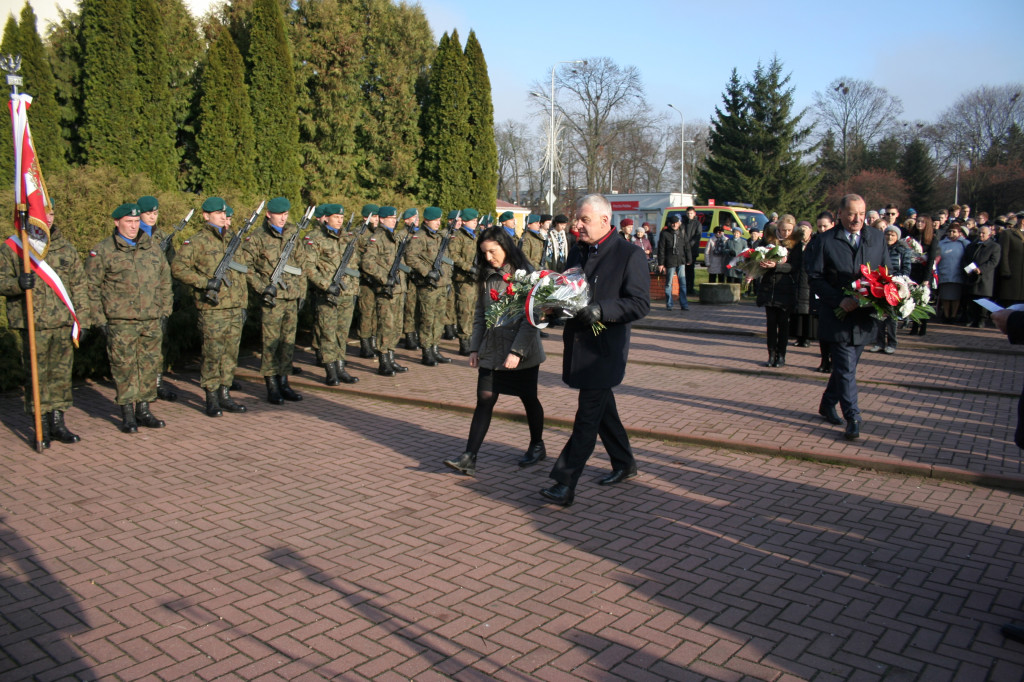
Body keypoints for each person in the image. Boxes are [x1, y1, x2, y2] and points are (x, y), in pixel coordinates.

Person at [540, 194, 651, 507]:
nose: (577, 224)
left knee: (587, 416)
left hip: (605, 350)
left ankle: (565, 481)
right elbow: (567, 289)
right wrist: (550, 305)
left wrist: (603, 309)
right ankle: (624, 463)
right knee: (602, 409)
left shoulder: (630, 254)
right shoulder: (578, 250)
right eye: (577, 218)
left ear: (605, 220)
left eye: (584, 219)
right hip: (579, 344)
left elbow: (641, 303)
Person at [443, 227, 547, 476]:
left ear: (505, 246)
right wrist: (474, 347)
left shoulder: (526, 275)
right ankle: (469, 456)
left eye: (493, 251)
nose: (489, 257)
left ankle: (537, 445)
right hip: (492, 348)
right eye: (484, 253)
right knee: (485, 398)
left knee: (528, 398)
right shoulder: (486, 274)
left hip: (521, 350)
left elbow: (532, 318)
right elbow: (480, 315)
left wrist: (517, 352)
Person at [1, 206, 89, 446]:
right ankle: (40, 426)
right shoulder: (14, 248)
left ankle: (58, 422)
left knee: (60, 375)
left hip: (62, 323)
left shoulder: (65, 248)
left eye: (51, 213)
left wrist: (83, 319)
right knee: (37, 377)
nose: (47, 218)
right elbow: (1, 281)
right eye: (42, 213)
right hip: (33, 323)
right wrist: (17, 284)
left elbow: (79, 285)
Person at [86, 203, 173, 433]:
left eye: (136, 222)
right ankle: (127, 413)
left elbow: (165, 280)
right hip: (121, 320)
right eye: (128, 222)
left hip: (151, 319)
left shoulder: (152, 248)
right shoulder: (103, 251)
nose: (134, 226)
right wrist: (100, 320)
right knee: (124, 367)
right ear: (117, 223)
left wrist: (165, 310)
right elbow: (91, 288)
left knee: (149, 365)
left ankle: (143, 409)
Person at [806, 194, 886, 440]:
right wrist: (839, 300)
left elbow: (884, 273)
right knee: (846, 367)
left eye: (861, 214)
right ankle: (853, 416)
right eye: (852, 213)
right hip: (838, 315)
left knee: (846, 369)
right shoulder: (825, 240)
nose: (857, 219)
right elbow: (815, 278)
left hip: (864, 316)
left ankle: (827, 403)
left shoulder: (876, 238)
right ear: (839, 213)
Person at [171, 197, 250, 417]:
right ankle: (211, 397)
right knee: (212, 354)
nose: (223, 217)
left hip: (234, 307)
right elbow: (177, 268)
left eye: (224, 213)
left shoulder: (233, 240)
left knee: (230, 354)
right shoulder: (196, 242)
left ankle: (225, 394)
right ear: (206, 216)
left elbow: (242, 274)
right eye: (217, 213)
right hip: (212, 309)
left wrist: (244, 304)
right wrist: (205, 283)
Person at [244, 196, 312, 404]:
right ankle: (271, 385)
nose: (283, 218)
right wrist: (262, 288)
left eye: (285, 214)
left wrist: (301, 292)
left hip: (291, 297)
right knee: (271, 343)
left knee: (287, 342)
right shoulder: (257, 237)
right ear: (268, 214)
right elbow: (246, 267)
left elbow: (302, 265)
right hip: (272, 298)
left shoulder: (293, 233)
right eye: (279, 214)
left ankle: (284, 382)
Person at [307, 204, 361, 385]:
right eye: (336, 217)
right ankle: (330, 371)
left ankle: (340, 368)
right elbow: (309, 267)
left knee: (341, 334)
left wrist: (354, 288)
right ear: (327, 218)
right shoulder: (316, 238)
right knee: (328, 334)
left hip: (347, 293)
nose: (340, 220)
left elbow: (354, 266)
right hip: (328, 294)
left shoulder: (347, 238)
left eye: (341, 217)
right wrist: (326, 285)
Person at [137, 195, 178, 402]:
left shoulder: (163, 236)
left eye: (155, 213)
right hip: (137, 302)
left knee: (160, 343)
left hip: (159, 300)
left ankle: (158, 383)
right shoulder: (132, 235)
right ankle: (141, 385)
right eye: (148, 213)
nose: (152, 217)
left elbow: (172, 267)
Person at [360, 206, 409, 375]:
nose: (394, 220)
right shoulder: (377, 238)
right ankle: (383, 361)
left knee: (396, 326)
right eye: (390, 218)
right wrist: (383, 278)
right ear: (381, 219)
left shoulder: (393, 237)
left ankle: (391, 358)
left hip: (398, 289)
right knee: (385, 326)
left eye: (395, 218)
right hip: (386, 290)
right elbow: (367, 263)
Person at [404, 206, 453, 366]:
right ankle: (426, 351)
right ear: (427, 221)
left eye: (440, 220)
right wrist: (427, 272)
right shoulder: (419, 237)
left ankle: (435, 348)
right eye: (436, 220)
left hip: (441, 284)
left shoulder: (439, 237)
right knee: (427, 318)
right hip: (428, 285)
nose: (439, 223)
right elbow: (411, 257)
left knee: (439, 318)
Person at [756, 215, 798, 367]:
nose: (785, 233)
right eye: (782, 230)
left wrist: (777, 266)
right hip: (769, 287)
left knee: (783, 324)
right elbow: (757, 255)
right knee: (771, 324)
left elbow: (795, 267)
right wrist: (759, 262)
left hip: (785, 288)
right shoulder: (768, 240)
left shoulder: (795, 244)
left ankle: (781, 356)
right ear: (778, 228)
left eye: (789, 230)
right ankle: (771, 355)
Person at [870, 226, 912, 353]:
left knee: (892, 317)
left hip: (896, 285)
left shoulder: (902, 250)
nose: (890, 237)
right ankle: (879, 342)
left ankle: (892, 343)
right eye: (888, 234)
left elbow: (906, 268)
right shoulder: (880, 248)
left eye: (893, 235)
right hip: (881, 284)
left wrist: (897, 280)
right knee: (879, 315)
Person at [449, 208, 481, 355]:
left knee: (474, 310)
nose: (475, 223)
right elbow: (454, 256)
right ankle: (464, 342)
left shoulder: (475, 236)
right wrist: (469, 268)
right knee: (464, 311)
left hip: (475, 279)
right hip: (463, 279)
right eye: (473, 220)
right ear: (466, 221)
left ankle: (473, 340)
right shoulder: (458, 236)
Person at [355, 204, 381, 358]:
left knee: (376, 312)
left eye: (378, 217)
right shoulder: (359, 234)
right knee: (366, 312)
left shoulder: (378, 233)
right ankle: (365, 345)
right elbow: (356, 257)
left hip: (377, 278)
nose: (377, 220)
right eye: (374, 217)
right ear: (366, 217)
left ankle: (373, 341)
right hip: (365, 280)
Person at [963, 225, 1001, 327]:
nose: (981, 235)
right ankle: (971, 319)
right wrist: (968, 269)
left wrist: (981, 269)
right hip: (972, 276)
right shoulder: (971, 246)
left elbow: (994, 261)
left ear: (989, 234)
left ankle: (981, 320)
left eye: (983, 233)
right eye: (979, 232)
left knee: (984, 300)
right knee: (971, 300)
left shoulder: (994, 246)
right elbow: (965, 259)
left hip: (985, 277)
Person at [936, 223, 969, 323]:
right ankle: (946, 315)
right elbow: (936, 257)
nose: (951, 233)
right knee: (945, 297)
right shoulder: (941, 244)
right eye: (950, 231)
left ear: (959, 232)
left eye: (954, 231)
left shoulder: (965, 243)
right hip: (944, 273)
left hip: (958, 274)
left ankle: (954, 315)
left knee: (956, 297)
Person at [657, 214, 690, 311]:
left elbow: (687, 246)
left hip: (681, 260)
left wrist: (689, 259)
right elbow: (661, 249)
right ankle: (669, 304)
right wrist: (661, 264)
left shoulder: (682, 232)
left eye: (676, 223)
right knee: (668, 284)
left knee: (683, 283)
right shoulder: (664, 233)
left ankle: (684, 304)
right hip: (670, 261)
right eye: (673, 223)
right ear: (670, 224)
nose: (674, 225)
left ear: (679, 223)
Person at [399, 208, 421, 351]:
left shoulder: (419, 234)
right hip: (407, 276)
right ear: (406, 220)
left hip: (419, 275)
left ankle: (416, 334)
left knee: (418, 308)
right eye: (413, 218)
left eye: (417, 218)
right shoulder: (401, 235)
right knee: (409, 307)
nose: (416, 220)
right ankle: (409, 336)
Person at [997, 213, 1024, 307]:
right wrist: (1005, 271)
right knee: (1010, 303)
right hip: (1013, 274)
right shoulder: (1008, 233)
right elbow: (1004, 253)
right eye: (1021, 219)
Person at [680, 207, 702, 295]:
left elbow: (697, 236)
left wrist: (689, 245)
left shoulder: (697, 224)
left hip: (692, 250)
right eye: (688, 213)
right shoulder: (683, 223)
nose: (689, 215)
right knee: (682, 270)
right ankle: (683, 287)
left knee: (691, 270)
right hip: (683, 250)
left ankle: (690, 287)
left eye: (691, 213)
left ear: (694, 214)